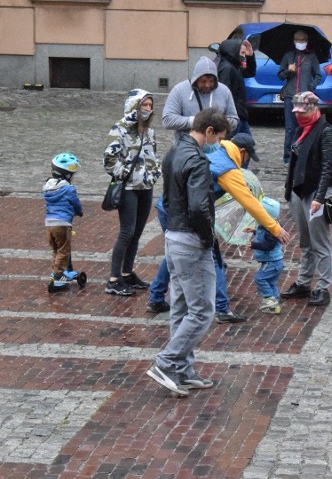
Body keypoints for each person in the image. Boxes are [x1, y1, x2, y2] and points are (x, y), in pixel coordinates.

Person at [146, 108, 226, 397]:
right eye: (217, 137)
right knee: (203, 309)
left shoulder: (174, 152)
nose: (217, 143)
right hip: (191, 241)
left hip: (174, 237)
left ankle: (183, 369)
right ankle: (167, 363)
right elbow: (198, 207)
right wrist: (207, 238)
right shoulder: (198, 161)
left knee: (180, 306)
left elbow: (167, 198)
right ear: (208, 132)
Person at [206, 131, 291, 322]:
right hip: (193, 215)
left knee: (175, 256)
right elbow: (250, 202)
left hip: (175, 209)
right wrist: (275, 229)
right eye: (248, 157)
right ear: (242, 151)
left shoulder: (215, 154)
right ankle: (221, 309)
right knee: (215, 260)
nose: (247, 162)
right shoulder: (228, 169)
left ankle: (158, 295)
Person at [103, 89, 162, 296]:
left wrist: (155, 173)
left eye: (149, 105)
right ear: (134, 106)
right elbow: (109, 160)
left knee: (137, 233)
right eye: (144, 105)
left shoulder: (149, 131)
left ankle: (127, 273)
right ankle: (113, 279)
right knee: (126, 232)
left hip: (145, 187)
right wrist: (124, 173)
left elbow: (153, 155)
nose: (147, 109)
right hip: (128, 188)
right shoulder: (120, 129)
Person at [282, 91, 332, 306]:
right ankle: (304, 282)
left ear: (315, 109)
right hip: (298, 191)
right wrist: (289, 191)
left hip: (315, 194)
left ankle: (323, 287)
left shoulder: (326, 132)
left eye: (303, 112)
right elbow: (293, 164)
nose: (299, 116)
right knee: (305, 241)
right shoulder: (301, 130)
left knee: (320, 243)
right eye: (297, 112)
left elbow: (327, 168)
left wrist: (320, 197)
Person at [278, 30, 323, 164]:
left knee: (305, 128)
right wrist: (288, 70)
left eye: (303, 40)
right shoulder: (288, 56)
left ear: (307, 41)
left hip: (304, 98)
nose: (300, 42)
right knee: (290, 129)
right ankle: (288, 157)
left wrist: (311, 86)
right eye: (298, 40)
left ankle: (303, 155)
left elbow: (318, 75)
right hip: (290, 96)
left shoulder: (311, 57)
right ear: (294, 41)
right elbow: (280, 76)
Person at [162, 56, 239, 133]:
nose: (207, 85)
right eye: (203, 81)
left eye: (211, 81)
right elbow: (167, 120)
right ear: (196, 79)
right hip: (187, 143)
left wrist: (217, 122)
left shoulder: (224, 91)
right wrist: (196, 121)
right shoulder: (179, 90)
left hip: (215, 143)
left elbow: (234, 120)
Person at [44, 153, 83, 287]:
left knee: (56, 249)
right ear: (67, 175)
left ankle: (56, 271)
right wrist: (79, 211)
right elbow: (76, 203)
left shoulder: (47, 188)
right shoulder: (68, 189)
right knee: (64, 250)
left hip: (49, 224)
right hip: (62, 223)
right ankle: (58, 276)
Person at [217, 38, 257, 145]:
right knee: (231, 146)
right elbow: (223, 93)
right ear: (233, 51)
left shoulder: (234, 66)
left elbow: (250, 72)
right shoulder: (227, 68)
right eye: (242, 53)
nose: (244, 56)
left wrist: (251, 56)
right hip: (233, 116)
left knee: (248, 146)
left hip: (240, 115)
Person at [251, 197, 285, 314]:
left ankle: (270, 300)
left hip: (271, 262)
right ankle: (275, 306)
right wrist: (254, 231)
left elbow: (267, 245)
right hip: (275, 262)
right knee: (270, 282)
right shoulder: (267, 226)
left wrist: (252, 244)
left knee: (260, 278)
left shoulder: (272, 230)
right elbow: (262, 233)